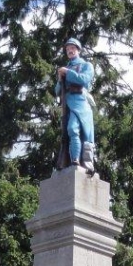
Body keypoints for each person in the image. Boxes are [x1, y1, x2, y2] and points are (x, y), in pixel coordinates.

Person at [55, 37, 95, 172]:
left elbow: (83, 79)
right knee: (71, 131)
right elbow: (57, 91)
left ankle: (82, 161)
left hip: (81, 103)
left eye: (72, 48)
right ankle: (74, 161)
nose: (69, 51)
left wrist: (68, 73)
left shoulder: (86, 65)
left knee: (80, 132)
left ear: (78, 50)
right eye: (67, 49)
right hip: (68, 105)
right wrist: (60, 80)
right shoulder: (64, 69)